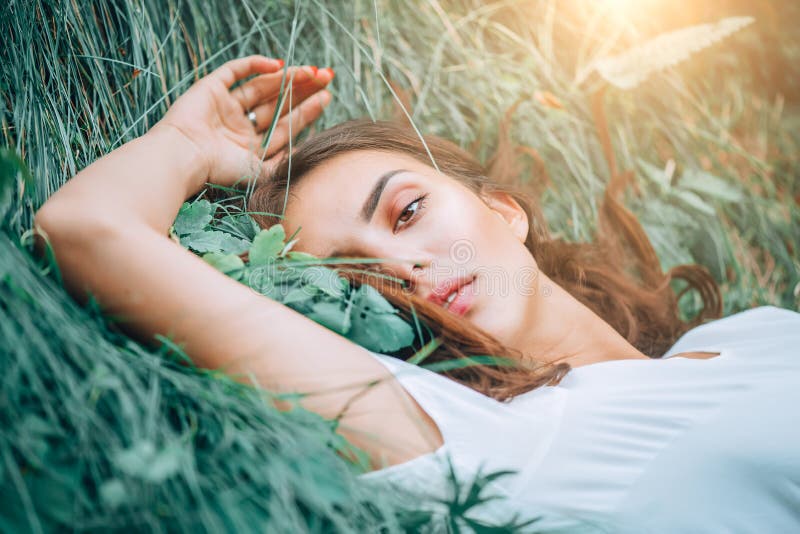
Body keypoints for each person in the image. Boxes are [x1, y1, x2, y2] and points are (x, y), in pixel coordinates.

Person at [35, 55, 800, 532]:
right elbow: (86, 229)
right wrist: (188, 148)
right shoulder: (463, 439)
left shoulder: (760, 333)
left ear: (504, 209)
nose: (401, 269)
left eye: (407, 211)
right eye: (356, 277)